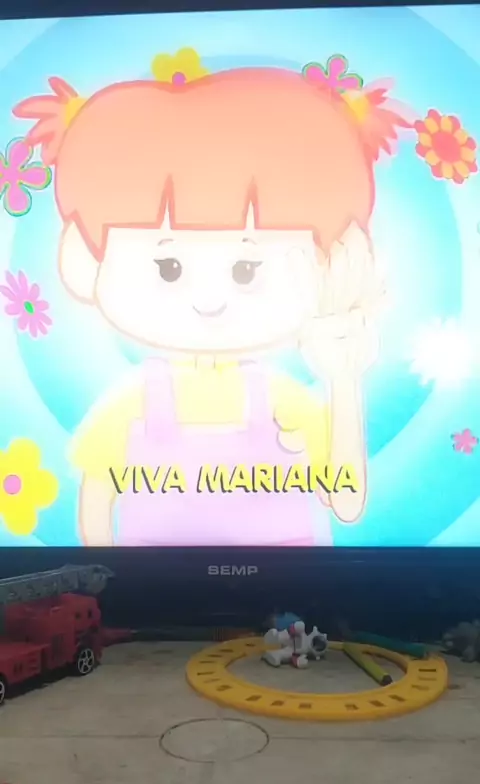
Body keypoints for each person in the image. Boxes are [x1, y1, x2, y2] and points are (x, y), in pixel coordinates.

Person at [13, 59, 410, 546]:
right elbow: (96, 508)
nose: (209, 300)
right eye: (168, 267)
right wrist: (119, 583)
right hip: (152, 583)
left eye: (248, 269)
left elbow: (346, 501)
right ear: (83, 259)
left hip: (298, 581)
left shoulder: (285, 404)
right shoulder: (132, 404)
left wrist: (345, 380)